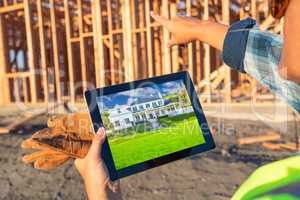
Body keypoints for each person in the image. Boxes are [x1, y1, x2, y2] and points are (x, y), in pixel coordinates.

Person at [75, 0, 300, 199]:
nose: (283, 26)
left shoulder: (277, 192)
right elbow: (279, 66)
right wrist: (201, 29)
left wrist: (101, 194)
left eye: (283, 6)